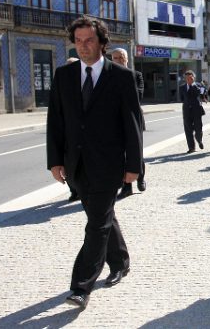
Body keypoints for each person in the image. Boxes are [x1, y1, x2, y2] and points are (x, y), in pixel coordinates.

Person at [46, 16, 142, 309]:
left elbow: (133, 124)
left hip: (109, 164)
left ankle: (81, 287)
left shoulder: (121, 76)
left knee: (97, 224)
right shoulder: (63, 76)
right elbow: (56, 121)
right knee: (102, 217)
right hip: (75, 164)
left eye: (89, 40)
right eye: (78, 41)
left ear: (101, 41)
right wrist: (55, 161)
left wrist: (134, 166)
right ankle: (121, 261)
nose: (83, 46)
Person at [111, 48, 147, 200]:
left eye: (121, 57)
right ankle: (126, 187)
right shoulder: (107, 77)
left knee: (136, 150)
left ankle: (140, 176)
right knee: (120, 154)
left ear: (127, 59)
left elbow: (138, 96)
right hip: (115, 120)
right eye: (115, 58)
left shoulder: (136, 75)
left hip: (133, 118)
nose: (119, 60)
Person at [64, 57, 82, 202]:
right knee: (68, 165)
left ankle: (81, 189)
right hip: (68, 133)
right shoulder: (61, 83)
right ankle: (73, 190)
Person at [179, 70, 205, 153]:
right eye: (186, 78)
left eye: (190, 78)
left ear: (194, 78)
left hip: (196, 110)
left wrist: (194, 86)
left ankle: (199, 140)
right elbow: (182, 99)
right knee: (188, 130)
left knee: (198, 128)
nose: (188, 80)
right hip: (186, 111)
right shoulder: (182, 87)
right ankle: (191, 148)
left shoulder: (199, 85)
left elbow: (202, 94)